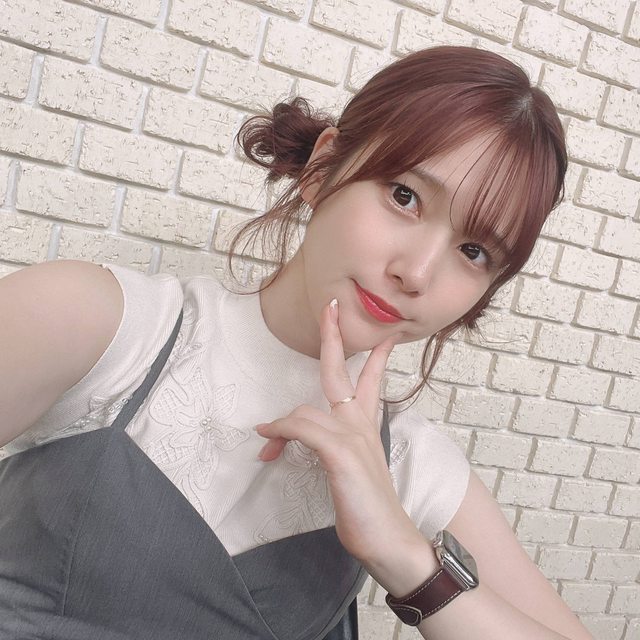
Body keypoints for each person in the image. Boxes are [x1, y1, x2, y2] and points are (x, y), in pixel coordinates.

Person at [0, 46, 594, 639]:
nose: (416, 273)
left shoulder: (412, 466)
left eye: (474, 251)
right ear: (322, 169)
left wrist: (406, 559)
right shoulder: (99, 325)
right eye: (404, 196)